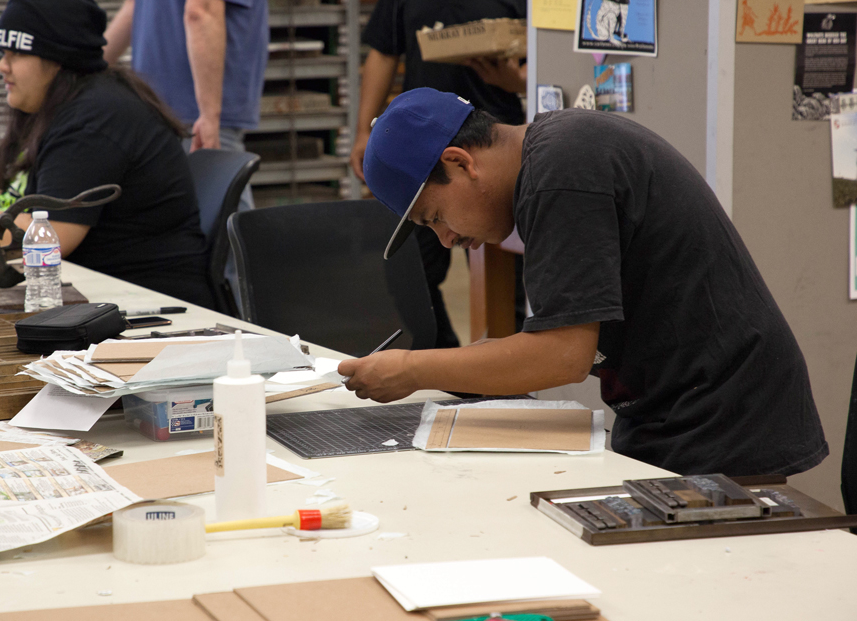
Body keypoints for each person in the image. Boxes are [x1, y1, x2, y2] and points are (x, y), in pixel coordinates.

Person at [339, 88, 828, 477]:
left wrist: (412, 370)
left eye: (434, 217)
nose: (445, 238)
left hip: (723, 419)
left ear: (461, 162)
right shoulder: (552, 158)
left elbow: (561, 354)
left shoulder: (561, 172)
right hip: (670, 409)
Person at [0, 0, 215, 309]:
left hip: (147, 305)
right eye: (3, 53)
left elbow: (53, 239)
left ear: (56, 59)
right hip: (88, 296)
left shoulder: (94, 120)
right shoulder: (40, 106)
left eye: (16, 53)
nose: (3, 65)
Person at [351, 0, 528, 348]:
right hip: (421, 160)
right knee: (411, 275)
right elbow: (383, 50)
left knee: (503, 285)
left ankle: (501, 374)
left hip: (487, 155)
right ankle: (448, 363)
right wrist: (363, 130)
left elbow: (547, 61)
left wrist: (516, 81)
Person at [103, 0, 268, 155]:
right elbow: (201, 11)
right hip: (199, 116)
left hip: (153, 103)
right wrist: (209, 115)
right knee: (219, 184)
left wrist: (85, 72)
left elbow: (134, 2)